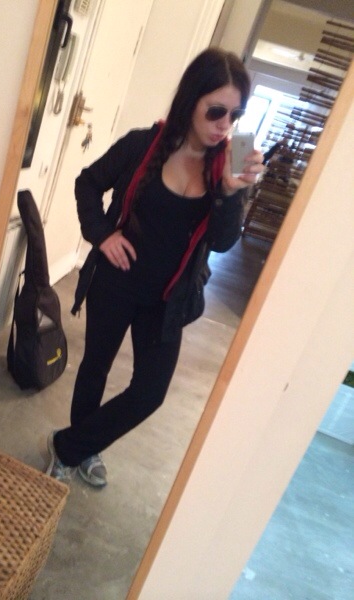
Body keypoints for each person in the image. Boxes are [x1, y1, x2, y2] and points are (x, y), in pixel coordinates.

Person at [46, 47, 264, 487]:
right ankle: (82, 448)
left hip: (168, 299)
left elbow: (223, 243)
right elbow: (88, 183)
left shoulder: (227, 165)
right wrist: (103, 235)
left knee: (150, 393)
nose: (225, 125)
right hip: (116, 283)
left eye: (235, 115)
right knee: (95, 368)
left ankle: (69, 445)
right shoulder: (142, 145)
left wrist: (230, 193)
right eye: (216, 111)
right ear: (191, 100)